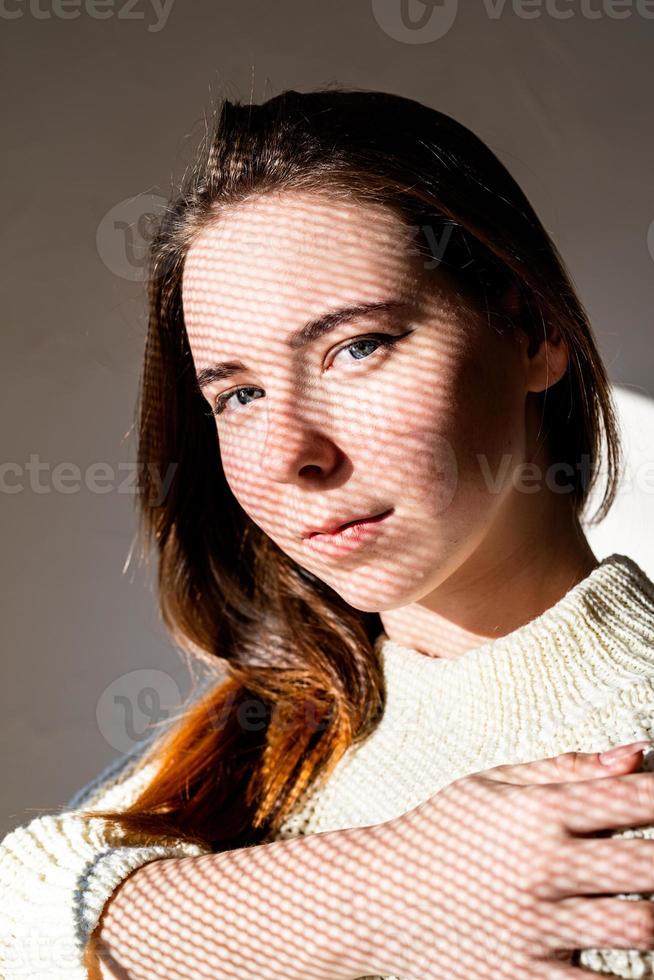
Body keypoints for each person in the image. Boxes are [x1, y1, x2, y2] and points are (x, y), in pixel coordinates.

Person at [2, 86, 654, 980]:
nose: (287, 455)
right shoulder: (286, 711)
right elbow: (17, 907)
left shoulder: (626, 771)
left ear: (532, 327)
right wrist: (383, 895)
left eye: (357, 347)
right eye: (239, 395)